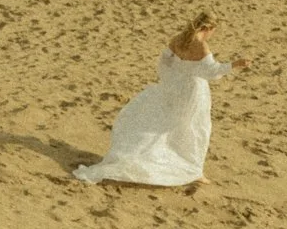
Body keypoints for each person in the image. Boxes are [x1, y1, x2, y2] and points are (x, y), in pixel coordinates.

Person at [74, 12, 251, 188]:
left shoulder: (178, 40)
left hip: (172, 89)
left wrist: (171, 82)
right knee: (194, 130)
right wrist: (235, 64)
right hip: (192, 93)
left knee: (165, 126)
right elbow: (211, 72)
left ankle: (176, 165)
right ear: (208, 28)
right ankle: (193, 171)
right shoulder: (201, 46)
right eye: (213, 31)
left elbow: (163, 64)